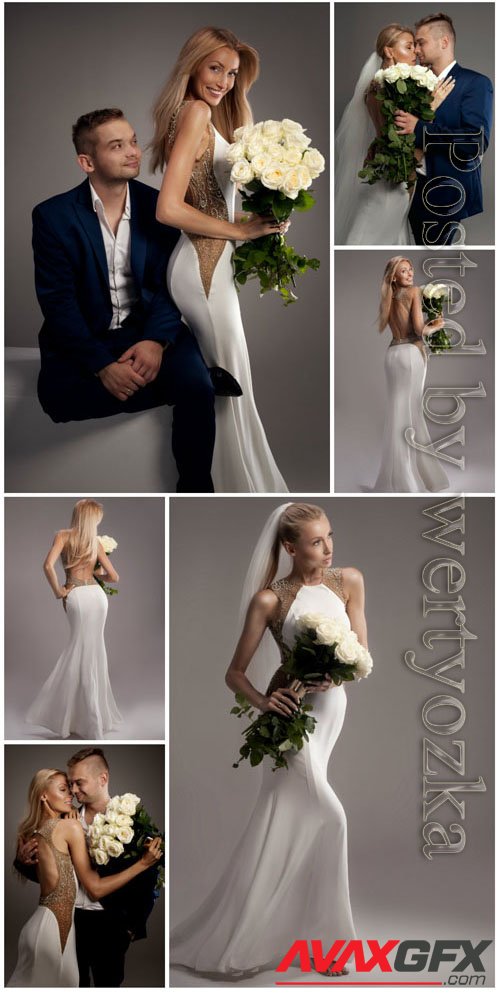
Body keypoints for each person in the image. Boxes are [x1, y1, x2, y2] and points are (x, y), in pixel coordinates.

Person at [171, 502, 368, 977]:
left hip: (332, 710)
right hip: (290, 717)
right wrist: (264, 702)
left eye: (329, 536)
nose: (328, 547)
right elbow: (233, 673)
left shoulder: (349, 581)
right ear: (289, 547)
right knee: (331, 817)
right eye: (316, 541)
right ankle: (328, 945)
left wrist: (339, 672)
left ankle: (289, 937)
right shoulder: (270, 599)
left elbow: (363, 653)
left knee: (283, 824)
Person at [33, 107, 215, 493]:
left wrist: (156, 341)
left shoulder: (160, 206)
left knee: (195, 390)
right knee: (56, 400)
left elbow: (173, 283)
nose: (134, 151)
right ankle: (196, 382)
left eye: (132, 141)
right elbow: (58, 303)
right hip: (89, 336)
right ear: (87, 161)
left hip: (149, 327)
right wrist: (102, 365)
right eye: (117, 146)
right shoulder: (53, 217)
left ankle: (195, 489)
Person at [151, 26, 289, 492]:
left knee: (230, 377)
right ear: (192, 64)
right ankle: (234, 486)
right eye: (215, 68)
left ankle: (235, 482)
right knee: (230, 376)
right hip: (201, 266)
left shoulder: (207, 114)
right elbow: (169, 208)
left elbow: (213, 198)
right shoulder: (193, 112)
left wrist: (261, 221)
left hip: (212, 263)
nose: (224, 81)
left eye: (231, 73)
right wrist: (238, 231)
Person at [8, 765, 162, 987]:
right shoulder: (69, 825)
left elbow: (58, 874)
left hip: (100, 926)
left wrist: (130, 928)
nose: (71, 793)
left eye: (73, 787)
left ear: (103, 778)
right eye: (65, 788)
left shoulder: (128, 821)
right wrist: (143, 863)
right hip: (68, 925)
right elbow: (81, 883)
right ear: (43, 795)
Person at [335, 23, 454, 245]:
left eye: (415, 47)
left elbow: (385, 131)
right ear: (389, 51)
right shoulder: (390, 87)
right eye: (408, 47)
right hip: (392, 177)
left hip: (387, 173)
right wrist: (433, 105)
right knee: (371, 237)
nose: (415, 53)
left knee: (382, 237)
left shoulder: (376, 85)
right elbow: (401, 135)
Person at [26, 499, 122, 739]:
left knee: (80, 650)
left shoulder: (63, 536)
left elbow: (48, 565)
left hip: (76, 595)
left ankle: (76, 719)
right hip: (97, 598)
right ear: (90, 518)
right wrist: (95, 571)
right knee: (94, 651)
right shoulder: (94, 543)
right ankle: (92, 720)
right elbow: (114, 577)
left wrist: (58, 591)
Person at [398, 13, 493, 245]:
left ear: (444, 42)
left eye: (421, 42)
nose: (416, 50)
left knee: (434, 254)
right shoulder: (411, 85)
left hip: (448, 192)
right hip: (409, 192)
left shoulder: (475, 83)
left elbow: (475, 141)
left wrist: (419, 128)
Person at [373, 257, 450, 492]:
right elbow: (418, 330)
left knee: (399, 413)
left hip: (392, 354)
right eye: (403, 271)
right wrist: (436, 325)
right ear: (394, 276)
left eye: (410, 269)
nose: (410, 274)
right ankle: (409, 480)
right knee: (411, 413)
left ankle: (398, 478)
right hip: (410, 355)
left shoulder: (389, 297)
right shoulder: (414, 292)